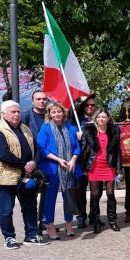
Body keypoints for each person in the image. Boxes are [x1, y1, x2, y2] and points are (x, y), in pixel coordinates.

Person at [0, 100, 49, 249]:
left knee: (30, 207)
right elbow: (3, 155)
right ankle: (9, 237)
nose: (16, 114)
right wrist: (25, 164)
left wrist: (34, 162)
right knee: (6, 210)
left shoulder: (25, 128)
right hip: (5, 177)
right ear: (3, 114)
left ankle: (31, 235)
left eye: (18, 111)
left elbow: (37, 149)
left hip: (26, 176)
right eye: (12, 112)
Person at [36, 102, 83, 240]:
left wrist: (73, 160)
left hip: (69, 167)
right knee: (50, 199)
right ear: (49, 114)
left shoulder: (71, 128)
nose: (56, 114)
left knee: (68, 197)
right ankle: (50, 225)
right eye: (53, 112)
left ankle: (69, 224)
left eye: (59, 112)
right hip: (52, 168)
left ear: (64, 113)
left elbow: (77, 147)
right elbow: (41, 147)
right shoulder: (45, 128)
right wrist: (58, 160)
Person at [81, 108, 122, 234]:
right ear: (95, 118)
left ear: (108, 118)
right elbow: (83, 150)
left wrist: (119, 169)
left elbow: (118, 151)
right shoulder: (89, 131)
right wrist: (84, 167)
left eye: (103, 117)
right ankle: (96, 221)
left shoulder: (114, 130)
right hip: (94, 166)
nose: (101, 119)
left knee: (110, 193)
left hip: (109, 165)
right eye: (98, 117)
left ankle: (112, 220)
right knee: (95, 195)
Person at [21, 90, 49, 233]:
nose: (42, 101)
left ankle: (43, 221)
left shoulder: (50, 115)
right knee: (32, 194)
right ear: (33, 101)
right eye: (38, 99)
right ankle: (31, 225)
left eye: (44, 99)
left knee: (46, 193)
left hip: (49, 160)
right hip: (32, 161)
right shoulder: (25, 116)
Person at [72, 95, 96, 229]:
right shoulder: (76, 121)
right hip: (81, 161)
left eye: (93, 105)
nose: (90, 107)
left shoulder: (99, 120)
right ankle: (81, 216)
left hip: (96, 162)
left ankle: (94, 215)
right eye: (87, 105)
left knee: (95, 191)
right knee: (80, 191)